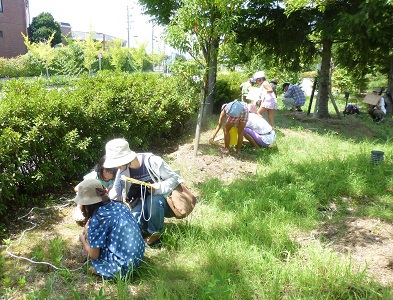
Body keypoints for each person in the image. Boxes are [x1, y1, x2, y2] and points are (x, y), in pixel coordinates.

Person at [104, 138, 183, 246]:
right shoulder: (122, 170)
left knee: (153, 199)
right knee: (131, 224)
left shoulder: (153, 161)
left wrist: (157, 188)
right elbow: (115, 191)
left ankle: (155, 233)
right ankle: (144, 228)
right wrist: (105, 204)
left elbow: (174, 178)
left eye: (118, 162)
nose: (117, 166)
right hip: (141, 203)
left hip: (163, 202)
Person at [76, 178, 145, 279]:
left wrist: (83, 240)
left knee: (94, 256)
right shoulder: (120, 205)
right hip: (138, 256)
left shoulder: (99, 218)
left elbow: (94, 255)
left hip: (122, 266)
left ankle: (104, 271)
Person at [73, 156, 117, 223]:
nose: (107, 175)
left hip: (103, 198)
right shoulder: (93, 176)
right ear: (101, 168)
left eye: (111, 173)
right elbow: (77, 188)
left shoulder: (114, 179)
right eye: (106, 171)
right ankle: (78, 209)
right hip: (90, 197)